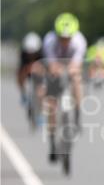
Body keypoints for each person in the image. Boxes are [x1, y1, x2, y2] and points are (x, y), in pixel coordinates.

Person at [42, 13, 87, 161]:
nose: (65, 41)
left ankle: (78, 113)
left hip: (70, 65)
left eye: (68, 38)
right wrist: (56, 72)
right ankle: (52, 142)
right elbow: (52, 65)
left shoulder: (79, 41)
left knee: (76, 78)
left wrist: (70, 71)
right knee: (51, 102)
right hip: (56, 66)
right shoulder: (49, 41)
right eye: (62, 38)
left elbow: (76, 64)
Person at [18, 32, 44, 109]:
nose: (30, 55)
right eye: (29, 53)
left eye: (33, 53)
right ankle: (23, 93)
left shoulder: (42, 54)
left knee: (40, 92)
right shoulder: (23, 55)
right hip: (27, 72)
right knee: (20, 74)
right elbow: (21, 69)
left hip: (40, 76)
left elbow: (46, 69)